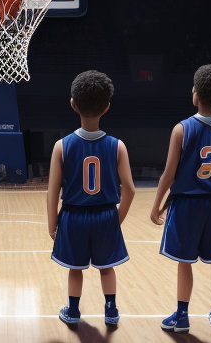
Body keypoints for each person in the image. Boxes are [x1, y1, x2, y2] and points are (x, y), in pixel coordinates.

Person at [151, 63, 211, 333]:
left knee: (185, 262)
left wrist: (156, 205)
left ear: (196, 94)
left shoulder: (182, 129)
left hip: (187, 204)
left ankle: (182, 316)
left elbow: (168, 174)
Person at [47, 70, 136, 327]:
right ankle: (111, 310)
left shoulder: (61, 146)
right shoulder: (117, 146)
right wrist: (116, 218)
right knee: (107, 267)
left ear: (73, 104)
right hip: (105, 214)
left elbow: (52, 191)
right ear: (107, 107)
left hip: (73, 216)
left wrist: (52, 222)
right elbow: (129, 189)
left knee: (75, 268)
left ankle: (73, 311)